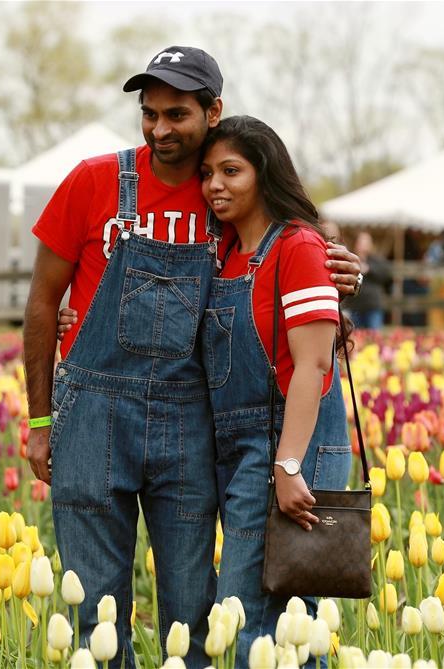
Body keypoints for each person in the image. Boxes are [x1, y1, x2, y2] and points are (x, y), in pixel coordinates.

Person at [23, 46, 363, 667]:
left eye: (175, 114)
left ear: (213, 111)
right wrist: (41, 421)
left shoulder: (234, 212)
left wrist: (340, 267)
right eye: (148, 114)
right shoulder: (94, 181)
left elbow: (295, 263)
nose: (158, 129)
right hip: (94, 414)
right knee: (93, 611)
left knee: (202, 613)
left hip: (191, 421)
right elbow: (43, 303)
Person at [199, 116, 352, 666]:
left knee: (262, 619)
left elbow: (312, 365)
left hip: (294, 442)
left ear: (264, 174)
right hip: (242, 448)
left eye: (231, 171)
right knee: (268, 617)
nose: (215, 184)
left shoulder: (298, 247)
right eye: (208, 173)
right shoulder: (222, 256)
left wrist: (288, 466)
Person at [345, 231, 391, 329]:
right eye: (362, 242)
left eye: (367, 242)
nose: (364, 246)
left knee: (374, 336)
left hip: (372, 306)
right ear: (356, 243)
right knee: (355, 336)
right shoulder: (350, 258)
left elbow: (386, 275)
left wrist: (369, 269)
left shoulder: (377, 260)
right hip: (354, 306)